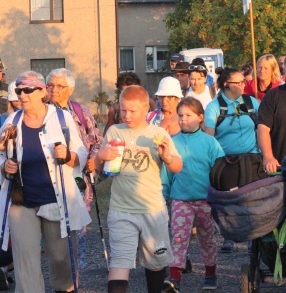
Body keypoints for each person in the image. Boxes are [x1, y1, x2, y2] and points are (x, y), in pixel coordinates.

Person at [0, 71, 91, 293]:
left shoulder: (61, 118)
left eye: (28, 90)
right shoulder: (11, 121)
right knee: (25, 262)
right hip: (21, 201)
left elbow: (81, 152)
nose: (22, 95)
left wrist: (67, 156)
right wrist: (4, 167)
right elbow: (1, 155)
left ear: (42, 92)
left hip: (56, 199)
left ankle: (65, 288)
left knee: (61, 259)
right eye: (19, 90)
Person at [95, 85, 182, 293]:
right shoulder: (115, 131)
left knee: (155, 263)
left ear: (146, 109)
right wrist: (101, 157)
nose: (127, 116)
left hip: (152, 210)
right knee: (119, 264)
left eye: (132, 111)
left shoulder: (157, 133)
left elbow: (177, 166)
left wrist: (167, 157)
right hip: (121, 210)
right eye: (123, 110)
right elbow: (100, 168)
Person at [161, 97, 224, 293]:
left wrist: (220, 194)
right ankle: (174, 278)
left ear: (200, 117)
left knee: (207, 239)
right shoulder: (173, 142)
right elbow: (166, 172)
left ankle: (210, 273)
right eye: (180, 116)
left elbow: (220, 171)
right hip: (181, 199)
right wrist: (163, 194)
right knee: (178, 239)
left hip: (206, 200)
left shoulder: (210, 142)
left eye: (188, 115)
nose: (183, 120)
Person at [46, 68, 104, 270]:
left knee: (78, 226)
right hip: (51, 179)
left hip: (79, 177)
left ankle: (75, 269)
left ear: (70, 90)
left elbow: (97, 140)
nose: (54, 90)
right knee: (55, 224)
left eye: (60, 86)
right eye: (50, 85)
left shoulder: (81, 111)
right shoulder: (42, 113)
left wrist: (94, 158)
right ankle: (60, 265)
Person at [204, 68, 261, 254]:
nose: (244, 85)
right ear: (227, 84)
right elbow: (209, 139)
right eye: (239, 82)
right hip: (226, 160)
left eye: (244, 81)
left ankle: (253, 236)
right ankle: (228, 235)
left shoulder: (251, 103)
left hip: (251, 157)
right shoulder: (214, 107)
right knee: (228, 199)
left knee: (251, 198)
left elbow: (262, 128)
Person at [104, 72, 157, 136]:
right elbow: (107, 134)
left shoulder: (148, 103)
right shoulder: (115, 108)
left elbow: (157, 122)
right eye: (125, 91)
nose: (128, 94)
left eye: (131, 91)